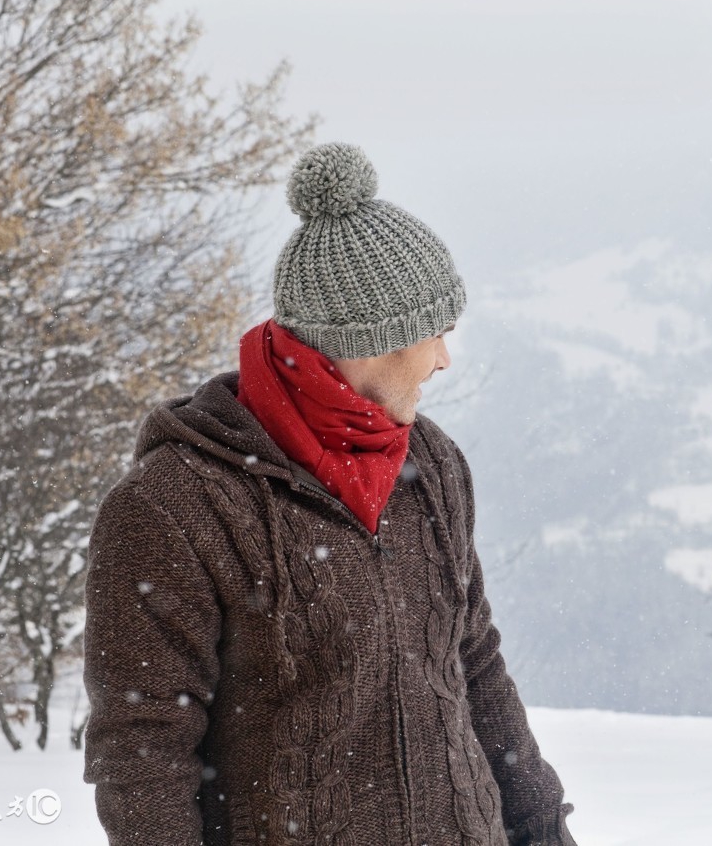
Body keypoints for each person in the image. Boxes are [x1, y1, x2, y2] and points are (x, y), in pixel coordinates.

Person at [83, 143, 579, 846]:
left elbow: (475, 662)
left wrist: (544, 827)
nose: (444, 358)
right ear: (376, 340)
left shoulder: (432, 464)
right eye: (436, 333)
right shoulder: (174, 505)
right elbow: (142, 751)